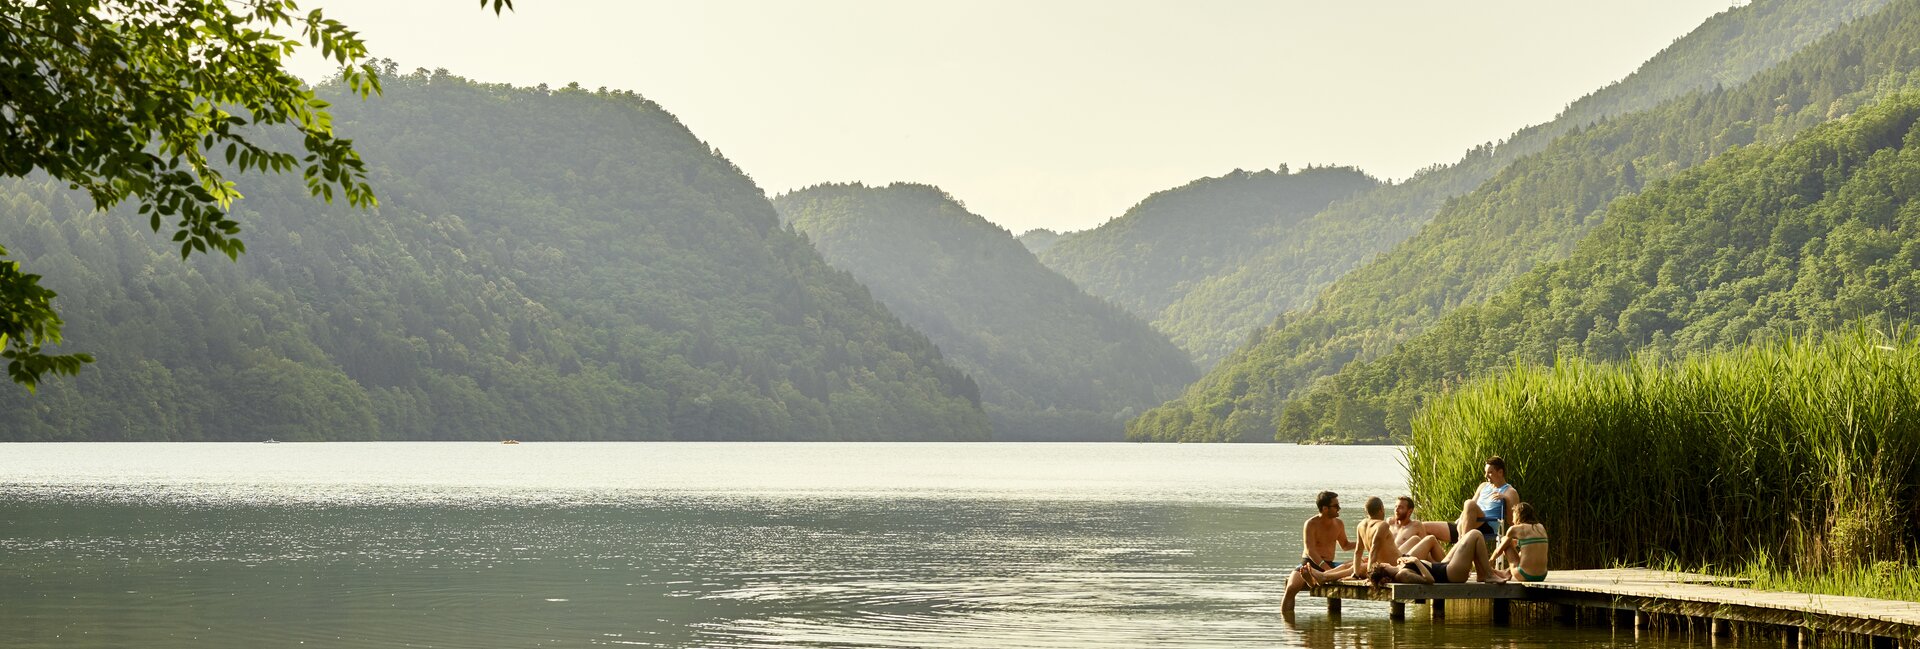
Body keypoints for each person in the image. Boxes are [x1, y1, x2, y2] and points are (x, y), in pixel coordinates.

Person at [1281, 491, 1356, 613]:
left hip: (1329, 564)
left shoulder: (1338, 523)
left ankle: (1314, 580)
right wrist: (1327, 570)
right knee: (1291, 587)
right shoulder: (1311, 524)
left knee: (1355, 565)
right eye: (1336, 506)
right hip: (1309, 564)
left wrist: (1364, 544)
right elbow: (1310, 550)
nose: (1339, 508)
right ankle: (1287, 623)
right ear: (1325, 508)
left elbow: (1345, 545)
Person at [1365, 528, 1506, 587]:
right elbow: (1429, 580)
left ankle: (1482, 575)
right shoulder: (1402, 575)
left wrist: (1405, 560)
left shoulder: (1399, 569)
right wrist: (1415, 561)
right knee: (1475, 534)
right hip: (1450, 574)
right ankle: (1488, 574)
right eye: (1383, 564)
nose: (1385, 563)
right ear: (1384, 568)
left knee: (1467, 538)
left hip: (1443, 566)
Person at [1455, 456, 1519, 543]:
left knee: (1469, 503)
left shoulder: (1510, 492)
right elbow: (1469, 508)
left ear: (1500, 472)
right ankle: (1462, 541)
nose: (1486, 476)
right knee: (1430, 530)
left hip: (1487, 525)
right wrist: (1461, 519)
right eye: (1485, 472)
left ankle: (1463, 546)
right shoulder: (1483, 486)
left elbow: (1512, 521)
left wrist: (1506, 499)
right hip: (1468, 522)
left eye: (1490, 472)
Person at [1492, 502, 1549, 582]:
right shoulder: (1541, 527)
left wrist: (1489, 561)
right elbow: (1530, 545)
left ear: (1518, 515)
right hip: (1542, 575)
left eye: (1513, 516)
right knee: (1523, 549)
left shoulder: (1515, 529)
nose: (1512, 519)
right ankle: (1507, 572)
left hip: (1524, 574)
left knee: (1505, 540)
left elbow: (1499, 550)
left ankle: (1507, 573)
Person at [1388, 496, 1448, 562]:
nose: (1396, 510)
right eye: (1396, 506)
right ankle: (1445, 566)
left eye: (1401, 507)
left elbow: (1426, 550)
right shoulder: (1390, 523)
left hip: (1404, 559)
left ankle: (1443, 566)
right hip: (1391, 560)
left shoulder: (1416, 525)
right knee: (1421, 539)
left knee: (1420, 539)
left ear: (1410, 512)